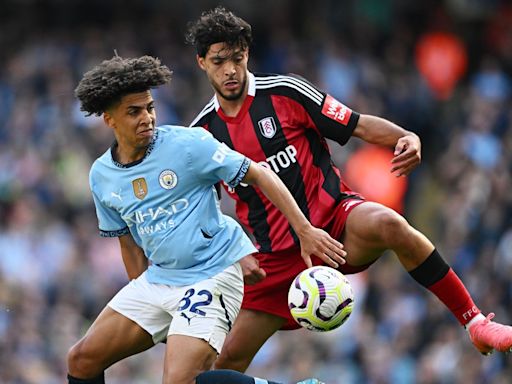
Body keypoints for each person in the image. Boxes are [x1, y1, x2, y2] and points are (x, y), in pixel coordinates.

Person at [186, 6, 512, 374]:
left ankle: (475, 323)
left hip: (336, 225)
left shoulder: (286, 92)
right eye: (218, 61)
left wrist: (405, 136)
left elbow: (355, 124)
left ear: (247, 53)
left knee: (390, 223)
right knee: (225, 363)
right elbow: (204, 217)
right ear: (201, 62)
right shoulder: (200, 136)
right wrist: (233, 256)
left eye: (237, 57)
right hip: (274, 260)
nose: (230, 69)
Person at [67, 55, 340, 384]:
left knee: (181, 381)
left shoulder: (187, 144)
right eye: (134, 112)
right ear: (109, 119)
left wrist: (304, 229)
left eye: (150, 108)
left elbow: (260, 175)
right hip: (160, 279)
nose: (147, 118)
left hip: (212, 275)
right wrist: (151, 309)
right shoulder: (102, 176)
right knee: (81, 359)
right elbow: (129, 242)